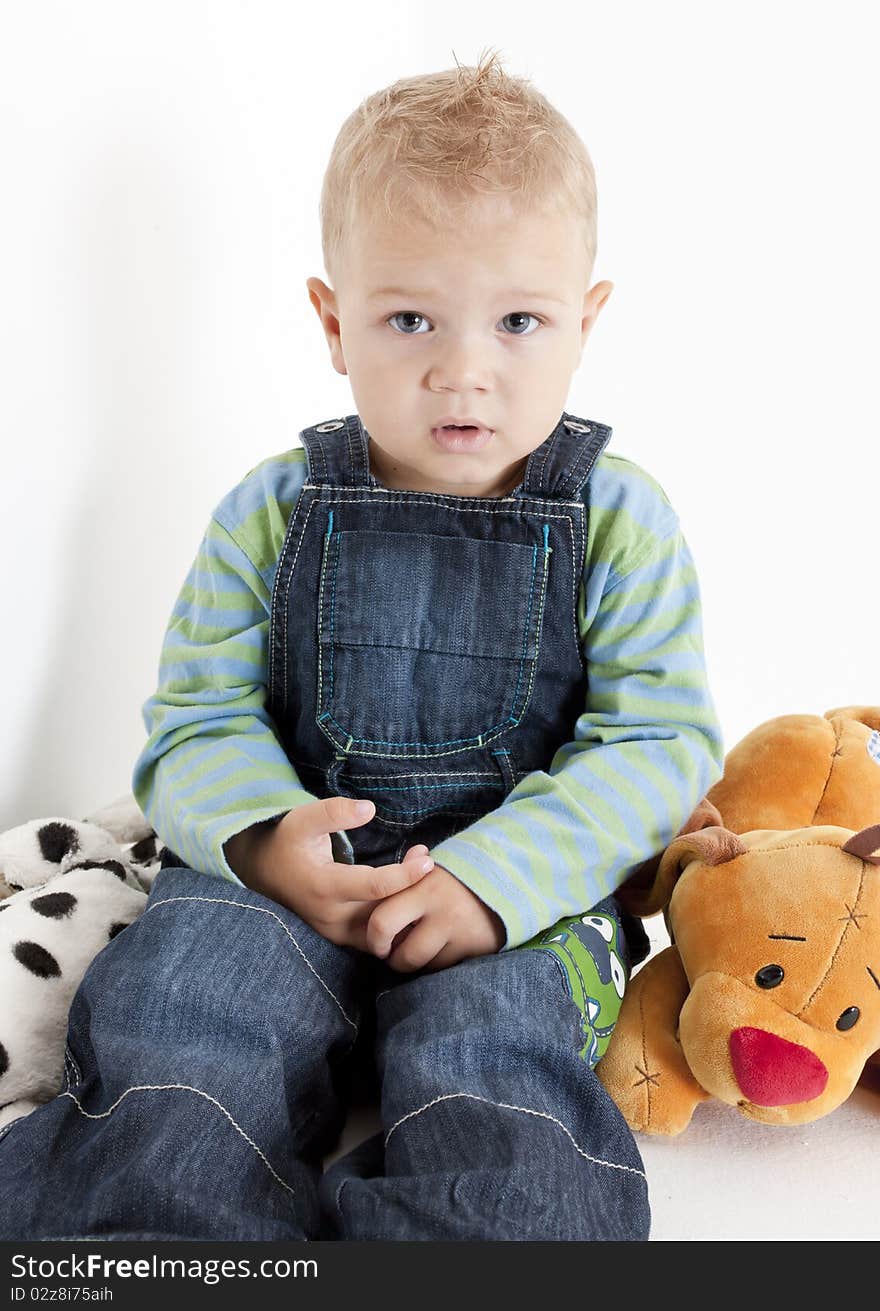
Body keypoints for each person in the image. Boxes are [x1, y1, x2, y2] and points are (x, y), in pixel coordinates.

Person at [0, 51, 724, 1241]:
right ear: (334, 323)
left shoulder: (620, 520)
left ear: (585, 323)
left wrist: (494, 882)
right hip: (290, 891)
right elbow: (198, 719)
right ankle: (150, 1240)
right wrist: (261, 841)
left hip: (518, 900)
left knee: (497, 1051)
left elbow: (655, 744)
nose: (463, 368)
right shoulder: (272, 510)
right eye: (407, 318)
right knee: (185, 1003)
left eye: (518, 320)